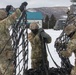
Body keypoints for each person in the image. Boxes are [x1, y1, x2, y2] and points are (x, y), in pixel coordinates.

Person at [0, 2, 28, 75]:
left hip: (5, 56)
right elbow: (10, 19)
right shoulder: (1, 25)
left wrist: (6, 11)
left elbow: (5, 20)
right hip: (3, 58)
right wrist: (20, 10)